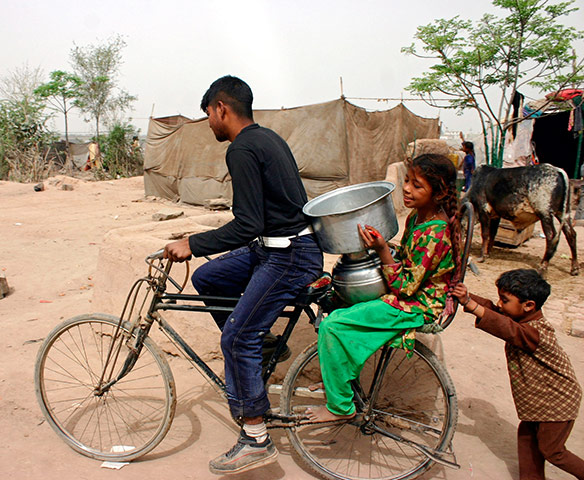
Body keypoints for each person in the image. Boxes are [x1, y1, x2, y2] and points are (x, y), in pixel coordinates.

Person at [163, 75, 323, 475]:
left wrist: (192, 243)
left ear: (222, 108)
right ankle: (265, 345)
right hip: (276, 247)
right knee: (210, 279)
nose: (210, 125)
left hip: (289, 256)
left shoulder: (241, 149)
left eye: (209, 116)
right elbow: (261, 220)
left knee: (236, 336)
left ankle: (255, 438)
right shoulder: (267, 137)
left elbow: (247, 223)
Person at [307, 153, 462, 423]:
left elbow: (405, 287)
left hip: (418, 306)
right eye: (406, 180)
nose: (406, 188)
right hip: (410, 296)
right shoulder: (418, 217)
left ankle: (340, 406)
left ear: (440, 192)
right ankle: (339, 381)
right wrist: (386, 247)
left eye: (417, 185)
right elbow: (408, 257)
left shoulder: (435, 233)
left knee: (334, 326)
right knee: (334, 305)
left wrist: (381, 250)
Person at [452, 270, 584, 480]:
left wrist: (470, 304)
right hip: (539, 403)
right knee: (527, 438)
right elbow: (496, 312)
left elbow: (506, 327)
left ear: (529, 305)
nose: (500, 304)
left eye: (505, 300)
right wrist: (467, 298)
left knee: (554, 451)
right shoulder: (521, 318)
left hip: (559, 404)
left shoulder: (534, 332)